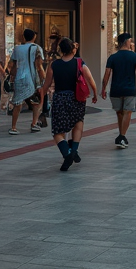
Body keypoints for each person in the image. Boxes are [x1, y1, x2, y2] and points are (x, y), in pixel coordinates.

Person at [38, 38, 96, 171]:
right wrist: (95, 92)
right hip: (76, 98)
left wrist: (42, 100)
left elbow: (46, 85)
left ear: (61, 50)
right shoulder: (80, 63)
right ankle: (74, 151)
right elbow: (90, 79)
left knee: (58, 131)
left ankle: (67, 154)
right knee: (78, 123)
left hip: (60, 98)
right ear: (73, 49)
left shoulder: (54, 64)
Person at [101, 33, 136, 148]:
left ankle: (121, 135)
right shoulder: (135, 56)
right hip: (129, 89)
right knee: (127, 112)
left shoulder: (113, 57)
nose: (131, 43)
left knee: (119, 112)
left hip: (115, 89)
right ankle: (122, 136)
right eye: (130, 41)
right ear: (126, 41)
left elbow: (107, 74)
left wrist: (103, 89)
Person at [7, 28, 44, 135]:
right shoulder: (37, 48)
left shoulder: (17, 49)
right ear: (34, 37)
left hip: (20, 77)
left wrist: (11, 77)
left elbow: (13, 65)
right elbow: (39, 65)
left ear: (24, 37)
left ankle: (13, 127)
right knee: (36, 102)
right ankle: (34, 124)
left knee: (17, 103)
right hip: (32, 78)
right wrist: (44, 79)